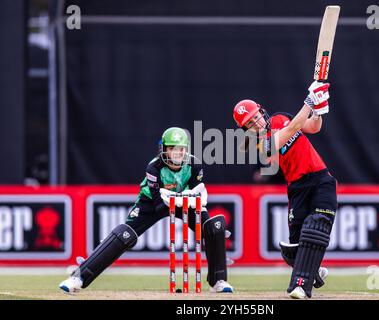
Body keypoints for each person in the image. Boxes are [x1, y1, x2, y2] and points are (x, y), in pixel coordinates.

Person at [59, 127, 233, 293]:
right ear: (164, 149)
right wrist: (173, 197)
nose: (178, 153)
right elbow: (159, 205)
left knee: (213, 227)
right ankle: (79, 277)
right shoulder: (154, 167)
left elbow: (198, 192)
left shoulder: (194, 164)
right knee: (123, 235)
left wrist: (187, 198)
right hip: (150, 203)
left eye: (181, 149)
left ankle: (218, 279)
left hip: (182, 200)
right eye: (173, 149)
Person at [232, 81, 337, 299]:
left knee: (315, 227)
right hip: (297, 188)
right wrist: (310, 101)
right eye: (250, 123)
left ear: (262, 111)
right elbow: (293, 129)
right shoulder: (258, 144)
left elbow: (312, 127)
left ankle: (301, 285)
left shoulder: (281, 117)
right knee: (292, 249)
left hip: (319, 179)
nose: (256, 123)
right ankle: (313, 272)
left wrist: (318, 111)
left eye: (256, 116)